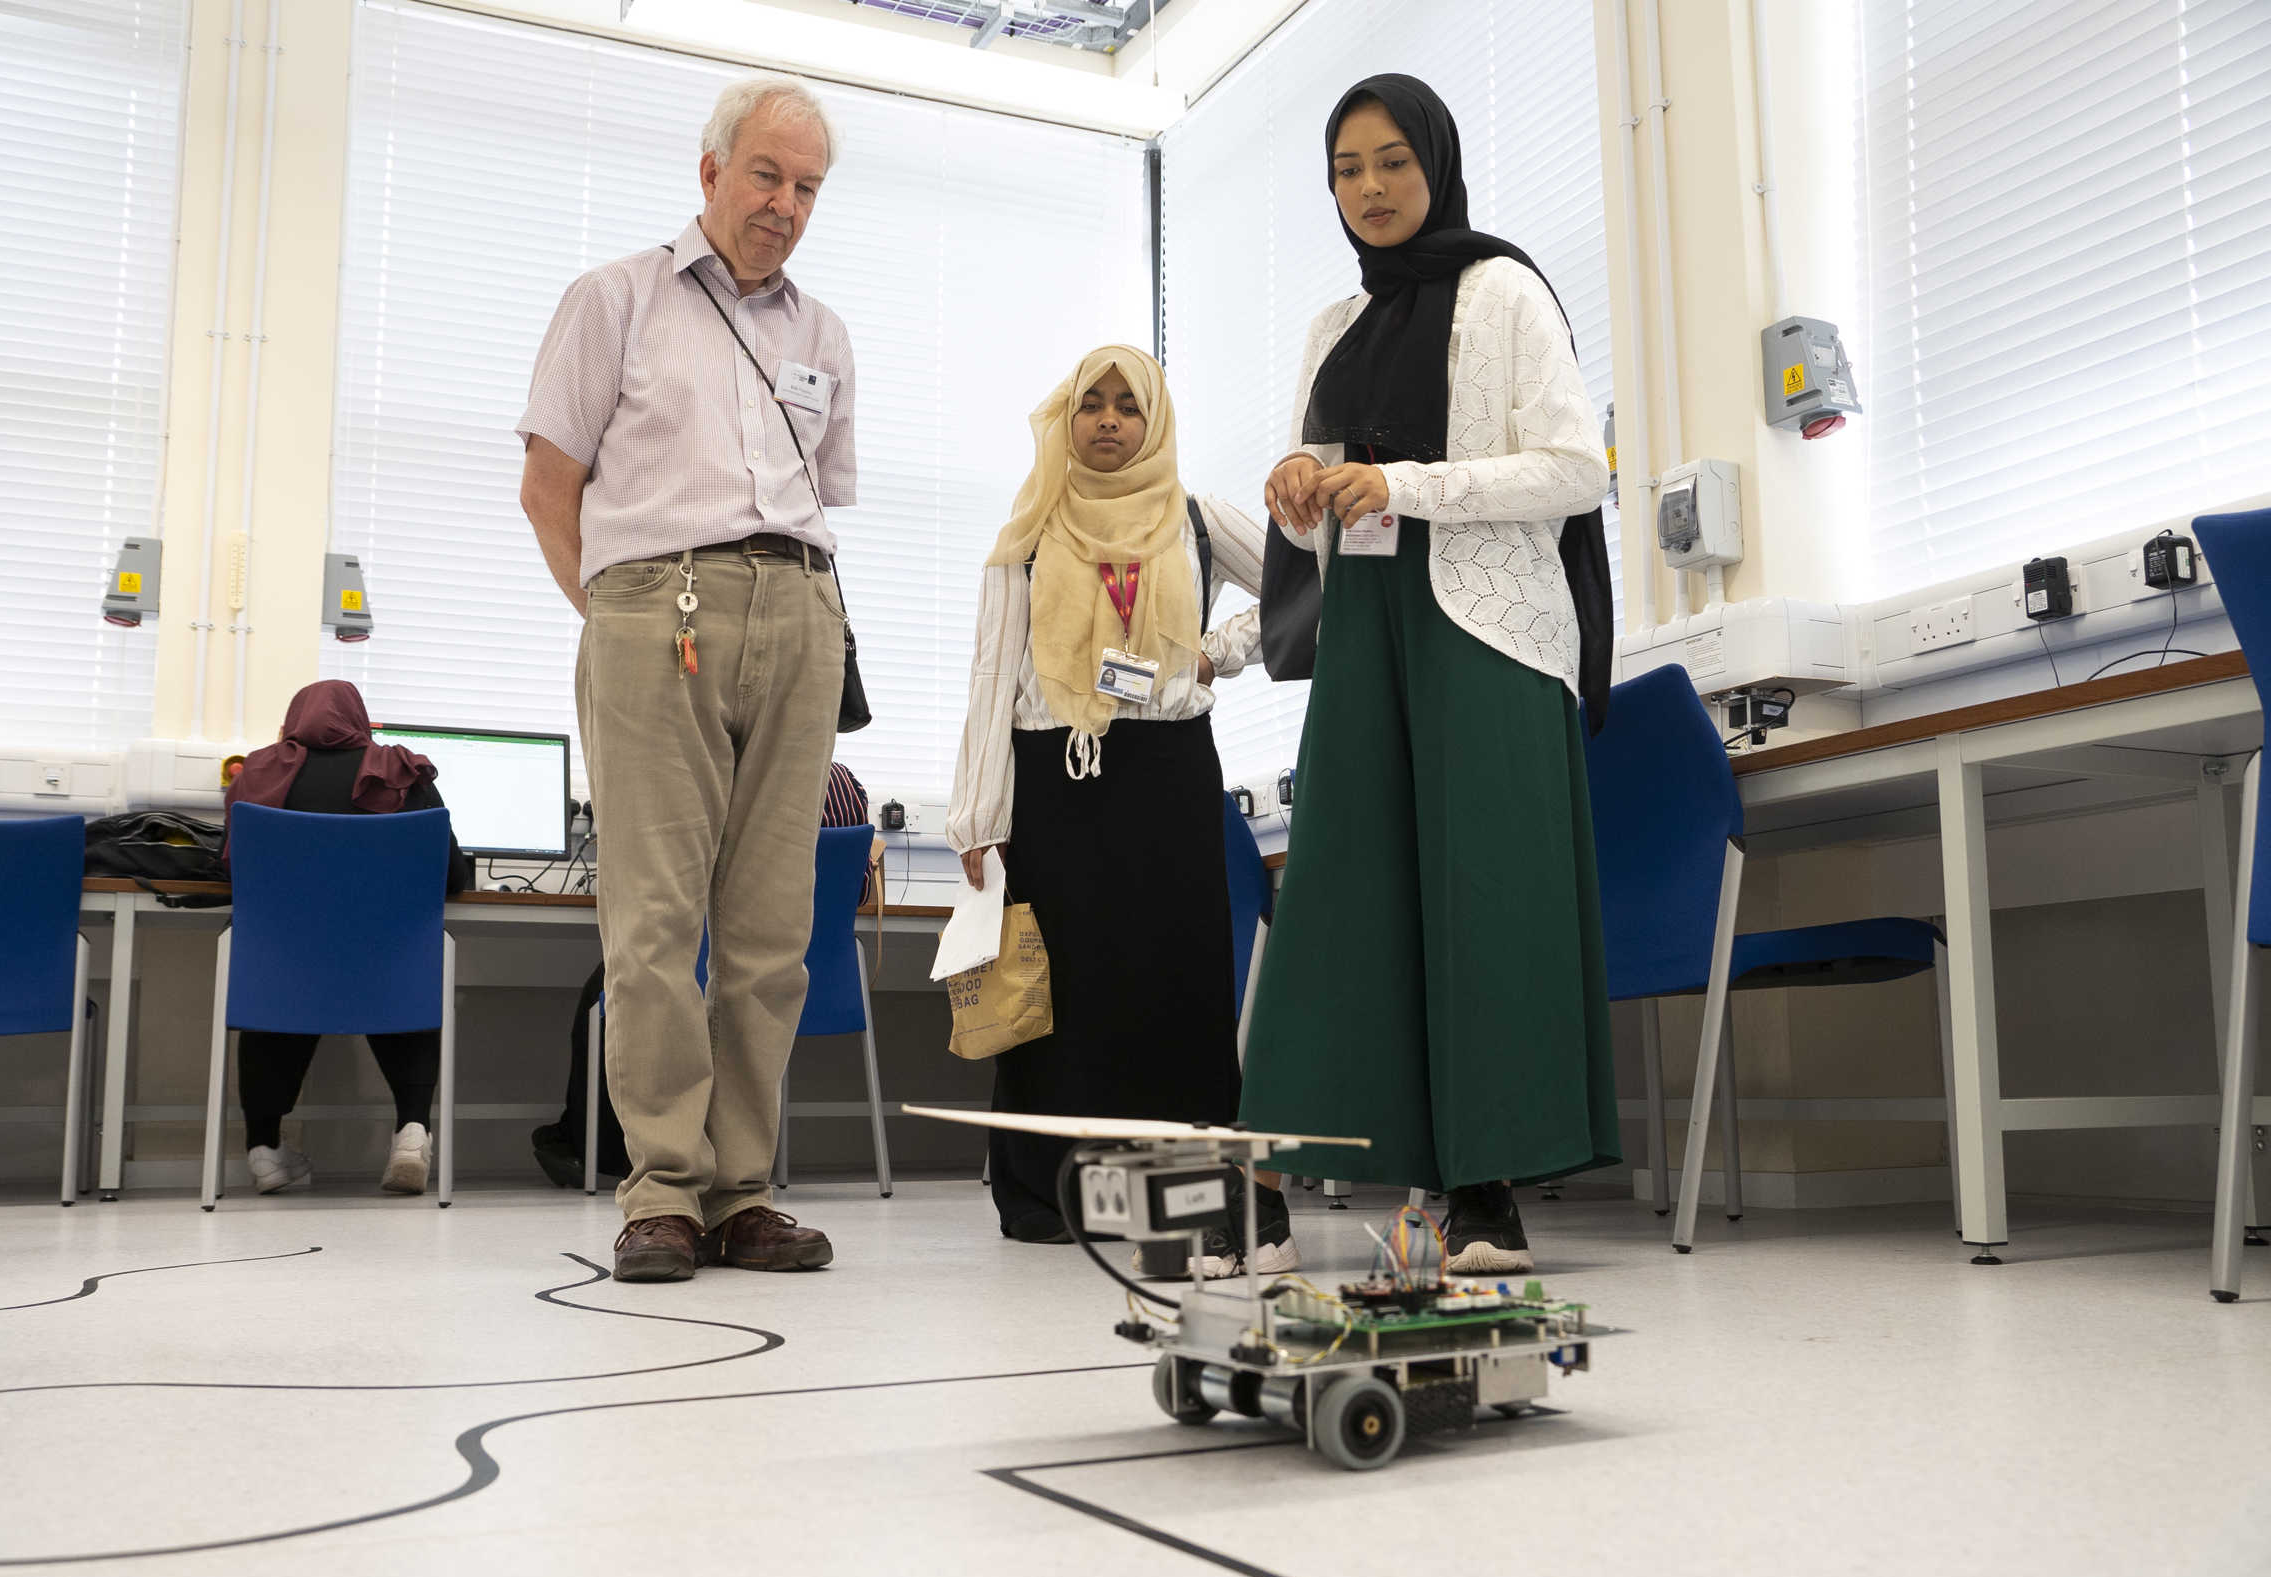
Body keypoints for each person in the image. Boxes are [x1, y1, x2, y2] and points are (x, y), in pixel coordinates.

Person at [1238, 75, 1621, 1275]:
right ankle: (1329, 1179)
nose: (1371, 188)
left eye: (1393, 160)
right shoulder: (1331, 329)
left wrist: (1405, 483)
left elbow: (1575, 468)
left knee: (1484, 904)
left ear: (1437, 162)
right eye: (1348, 169)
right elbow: (1319, 519)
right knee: (1355, 904)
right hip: (1368, 635)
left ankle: (1488, 1196)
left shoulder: (1503, 291)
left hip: (1490, 634)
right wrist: (1299, 496)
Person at [516, 75, 855, 1284]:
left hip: (803, 609)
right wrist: (619, 622)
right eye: (766, 175)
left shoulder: (822, 335)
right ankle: (662, 1185)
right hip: (658, 608)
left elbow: (823, 495)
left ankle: (744, 1189)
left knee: (772, 933)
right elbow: (548, 492)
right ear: (708, 171)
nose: (785, 204)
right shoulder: (613, 300)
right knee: (655, 921)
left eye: (808, 187)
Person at [946, 344, 1292, 1275]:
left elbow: (1307, 580)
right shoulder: (1028, 531)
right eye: (1090, 404)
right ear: (1066, 420)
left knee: (1174, 983)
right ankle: (1048, 1192)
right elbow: (992, 673)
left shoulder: (1194, 518)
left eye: (1127, 406)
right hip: (1053, 778)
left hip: (1168, 769)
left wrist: (1218, 650)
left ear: (1154, 422)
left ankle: (1184, 1195)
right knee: (1060, 996)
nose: (1107, 421)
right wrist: (978, 815)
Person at [531, 763, 871, 1190]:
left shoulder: (714, 773)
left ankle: (602, 1147)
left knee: (611, 985)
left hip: (713, 970)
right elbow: (859, 892)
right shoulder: (848, 787)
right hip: (808, 980)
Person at [222, 680, 474, 1197]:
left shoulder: (259, 775)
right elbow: (448, 876)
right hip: (386, 966)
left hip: (286, 967)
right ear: (358, 719)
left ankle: (264, 1149)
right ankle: (411, 1133)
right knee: (404, 967)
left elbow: (233, 872)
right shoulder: (402, 773)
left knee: (280, 978)